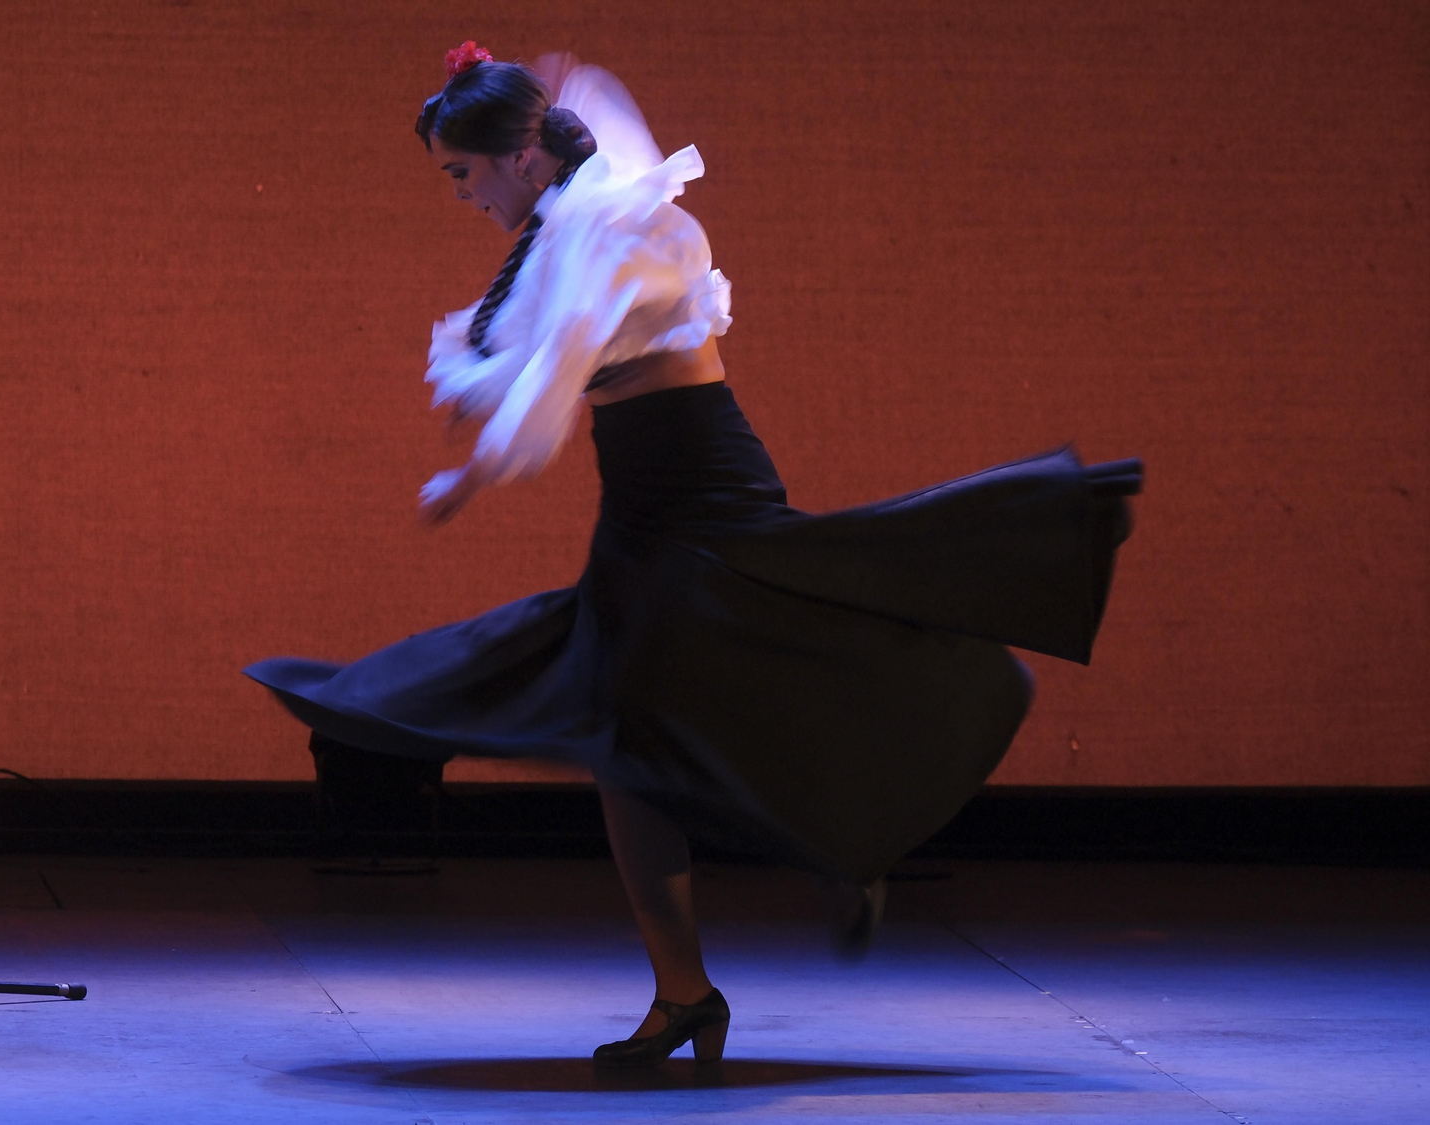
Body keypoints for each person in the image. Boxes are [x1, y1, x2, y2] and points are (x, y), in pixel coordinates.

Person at [247, 44, 1141, 1069]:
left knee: (670, 712)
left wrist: (470, 476)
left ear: (520, 161)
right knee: (628, 740)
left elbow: (554, 381)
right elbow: (547, 318)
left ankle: (831, 854)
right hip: (641, 502)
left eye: (461, 174)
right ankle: (692, 985)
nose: (457, 195)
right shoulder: (565, 225)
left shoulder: (611, 227)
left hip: (700, 491)